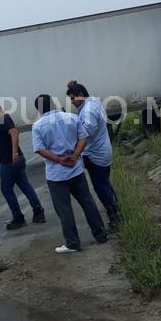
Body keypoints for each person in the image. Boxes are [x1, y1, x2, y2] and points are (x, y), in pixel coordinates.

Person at [31, 94, 107, 253]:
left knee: (64, 209)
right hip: (76, 169)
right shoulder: (71, 117)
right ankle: (101, 235)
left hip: (56, 175)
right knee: (88, 202)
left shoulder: (38, 125)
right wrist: (75, 155)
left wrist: (58, 160)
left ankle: (73, 243)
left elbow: (40, 149)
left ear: (38, 109)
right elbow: (84, 137)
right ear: (53, 103)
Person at [66, 80, 122, 230]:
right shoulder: (92, 103)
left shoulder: (89, 109)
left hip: (95, 155)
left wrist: (75, 153)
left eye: (72, 98)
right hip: (102, 151)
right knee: (105, 185)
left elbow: (86, 133)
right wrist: (71, 86)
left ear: (81, 95)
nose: (71, 102)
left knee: (101, 188)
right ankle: (117, 212)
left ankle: (116, 218)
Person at [0, 104, 45, 230]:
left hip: (10, 161)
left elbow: (14, 133)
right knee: (25, 185)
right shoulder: (0, 123)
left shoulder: (4, 119)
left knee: (6, 189)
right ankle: (38, 212)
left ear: (0, 112)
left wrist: (14, 153)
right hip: (13, 160)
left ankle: (18, 218)